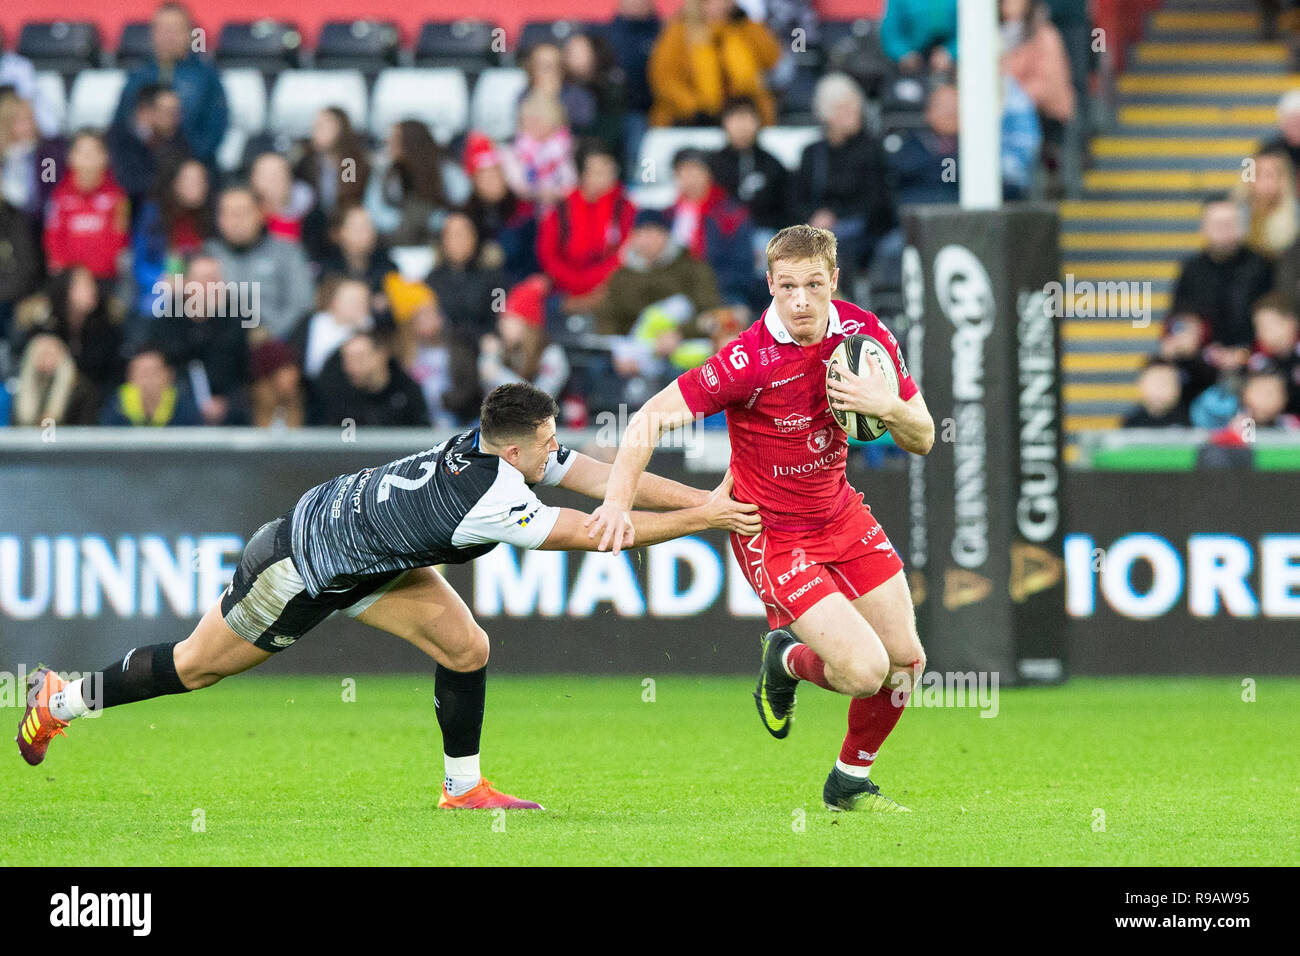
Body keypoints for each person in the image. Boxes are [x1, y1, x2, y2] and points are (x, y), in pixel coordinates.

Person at [19, 383, 762, 813]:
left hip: (368, 550)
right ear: (513, 450)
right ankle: (63, 697)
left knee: (468, 646)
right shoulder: (494, 497)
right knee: (195, 668)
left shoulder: (494, 449)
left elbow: (601, 480)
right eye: (545, 444)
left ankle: (462, 790)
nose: (553, 452)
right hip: (301, 564)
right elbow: (602, 532)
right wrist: (710, 519)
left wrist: (712, 495)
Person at [587, 224, 934, 811]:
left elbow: (923, 437)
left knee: (908, 662)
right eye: (788, 286)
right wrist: (617, 503)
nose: (801, 300)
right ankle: (790, 658)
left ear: (835, 283)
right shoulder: (747, 359)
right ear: (770, 284)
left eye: (814, 285)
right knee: (866, 671)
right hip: (770, 532)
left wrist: (888, 406)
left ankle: (848, 782)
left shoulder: (865, 334)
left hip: (839, 512)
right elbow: (647, 418)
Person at [794, 74, 896, 290]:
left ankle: (839, 306)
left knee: (835, 247)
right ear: (826, 113)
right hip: (815, 228)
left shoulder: (871, 149)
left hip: (862, 229)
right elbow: (796, 197)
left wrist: (836, 216)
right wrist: (813, 217)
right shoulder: (812, 153)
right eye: (843, 108)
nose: (852, 113)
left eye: (854, 106)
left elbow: (877, 202)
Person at [113, 2, 228, 168]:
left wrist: (187, 164)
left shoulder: (206, 77)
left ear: (189, 34)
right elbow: (123, 124)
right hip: (143, 168)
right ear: (153, 33)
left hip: (191, 169)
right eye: (163, 29)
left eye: (175, 29)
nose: (169, 36)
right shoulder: (137, 76)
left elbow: (215, 129)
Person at [535, 139, 637, 315]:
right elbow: (549, 256)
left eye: (609, 171)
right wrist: (578, 286)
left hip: (609, 288)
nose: (606, 178)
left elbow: (627, 253)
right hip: (564, 289)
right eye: (597, 172)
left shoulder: (626, 208)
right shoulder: (560, 209)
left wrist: (596, 285)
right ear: (582, 175)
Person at [202, 186, 315, 341]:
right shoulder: (206, 254)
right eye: (227, 213)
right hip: (219, 343)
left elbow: (302, 303)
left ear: (261, 214)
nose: (235, 221)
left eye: (242, 213)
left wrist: (269, 333)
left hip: (277, 342)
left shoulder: (287, 251)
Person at [648, 0, 781, 127]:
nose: (720, 5)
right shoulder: (678, 33)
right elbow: (666, 80)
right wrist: (694, 108)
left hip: (743, 115)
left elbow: (771, 58)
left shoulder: (742, 28)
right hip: (691, 120)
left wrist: (749, 24)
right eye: (711, 1)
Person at [155, 254, 250, 425]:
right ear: (185, 285)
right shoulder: (168, 322)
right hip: (178, 412)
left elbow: (243, 373)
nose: (213, 286)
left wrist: (227, 402)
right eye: (205, 280)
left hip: (231, 412)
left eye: (217, 279)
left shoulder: (237, 321)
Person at [1171, 195, 1274, 351]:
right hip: (1202, 359)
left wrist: (1245, 352)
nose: (1225, 230)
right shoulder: (1191, 270)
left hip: (1254, 356)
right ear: (1204, 228)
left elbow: (1273, 318)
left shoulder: (1261, 266)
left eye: (1230, 223)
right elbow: (1179, 317)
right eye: (1218, 224)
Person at [670, 147, 756, 306]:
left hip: (721, 291)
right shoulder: (668, 215)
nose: (690, 178)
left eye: (696, 171)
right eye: (684, 172)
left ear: (709, 174)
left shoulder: (730, 214)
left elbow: (742, 266)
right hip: (675, 291)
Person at [43, 132, 130, 282]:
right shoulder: (59, 196)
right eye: (82, 151)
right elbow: (53, 239)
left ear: (105, 157)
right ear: (70, 157)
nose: (88, 157)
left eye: (93, 151)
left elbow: (119, 238)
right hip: (68, 280)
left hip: (105, 278)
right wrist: (74, 275)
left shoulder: (118, 197)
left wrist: (94, 272)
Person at [132, 157, 212, 316]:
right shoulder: (153, 215)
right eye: (188, 180)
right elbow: (139, 264)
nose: (196, 186)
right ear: (175, 183)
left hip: (202, 292)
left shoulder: (212, 217)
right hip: (162, 289)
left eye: (200, 180)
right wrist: (163, 280)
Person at [365, 120, 467, 245]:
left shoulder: (445, 169)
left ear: (411, 141)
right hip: (394, 241)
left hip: (440, 243)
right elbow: (374, 213)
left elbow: (461, 204)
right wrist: (407, 221)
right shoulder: (386, 171)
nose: (390, 143)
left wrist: (433, 220)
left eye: (395, 139)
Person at [462, 132, 539, 283]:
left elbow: (533, 255)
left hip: (517, 281)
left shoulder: (523, 210)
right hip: (477, 285)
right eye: (484, 176)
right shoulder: (466, 214)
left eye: (495, 173)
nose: (491, 180)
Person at [312, 331, 431, 428]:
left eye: (359, 358)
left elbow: (421, 435)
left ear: (381, 355)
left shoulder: (407, 391)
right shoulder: (337, 394)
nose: (351, 366)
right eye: (347, 359)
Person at [710, 96, 791, 237]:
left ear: (758, 123)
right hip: (721, 233)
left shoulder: (771, 163)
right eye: (736, 118)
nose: (742, 125)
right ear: (725, 123)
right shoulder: (712, 164)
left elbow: (786, 208)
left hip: (764, 233)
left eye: (747, 118)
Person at [426, 211, 507, 347]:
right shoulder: (432, 280)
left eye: (464, 235)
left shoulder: (494, 279)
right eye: (453, 235)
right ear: (443, 241)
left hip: (484, 347)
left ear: (474, 238)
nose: (459, 241)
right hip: (445, 350)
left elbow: (500, 316)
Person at [106, 84, 189, 214]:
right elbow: (129, 183)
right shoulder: (118, 138)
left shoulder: (177, 138)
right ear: (144, 111)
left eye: (177, 111)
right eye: (169, 112)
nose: (176, 118)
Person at [503, 92, 577, 210]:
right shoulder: (513, 150)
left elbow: (571, 182)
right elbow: (518, 185)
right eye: (528, 119)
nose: (533, 124)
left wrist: (557, 193)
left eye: (539, 118)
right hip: (526, 214)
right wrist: (539, 193)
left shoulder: (567, 146)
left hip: (563, 211)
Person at [98, 343, 203, 426]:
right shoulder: (117, 405)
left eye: (154, 372)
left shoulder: (184, 407)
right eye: (142, 373)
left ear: (169, 374)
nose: (148, 380)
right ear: (130, 376)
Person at [10, 332, 101, 426]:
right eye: (41, 355)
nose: (46, 359)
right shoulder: (19, 388)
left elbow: (85, 426)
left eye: (50, 354)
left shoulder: (81, 389)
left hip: (68, 438)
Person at [1233, 146, 1299, 260]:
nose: (1265, 181)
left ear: (1284, 179)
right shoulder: (1234, 213)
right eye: (1258, 174)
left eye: (1271, 175)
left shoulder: (1296, 214)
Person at [880, 0, 959, 76]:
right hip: (911, 63)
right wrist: (903, 54)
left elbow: (968, 31)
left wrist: (950, 52)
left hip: (952, 64)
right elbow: (890, 32)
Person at [1122, 358, 1191, 428]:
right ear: (1141, 384)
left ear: (1178, 387)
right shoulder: (1131, 423)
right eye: (1154, 382)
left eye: (1166, 383)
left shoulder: (1193, 421)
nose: (1160, 388)